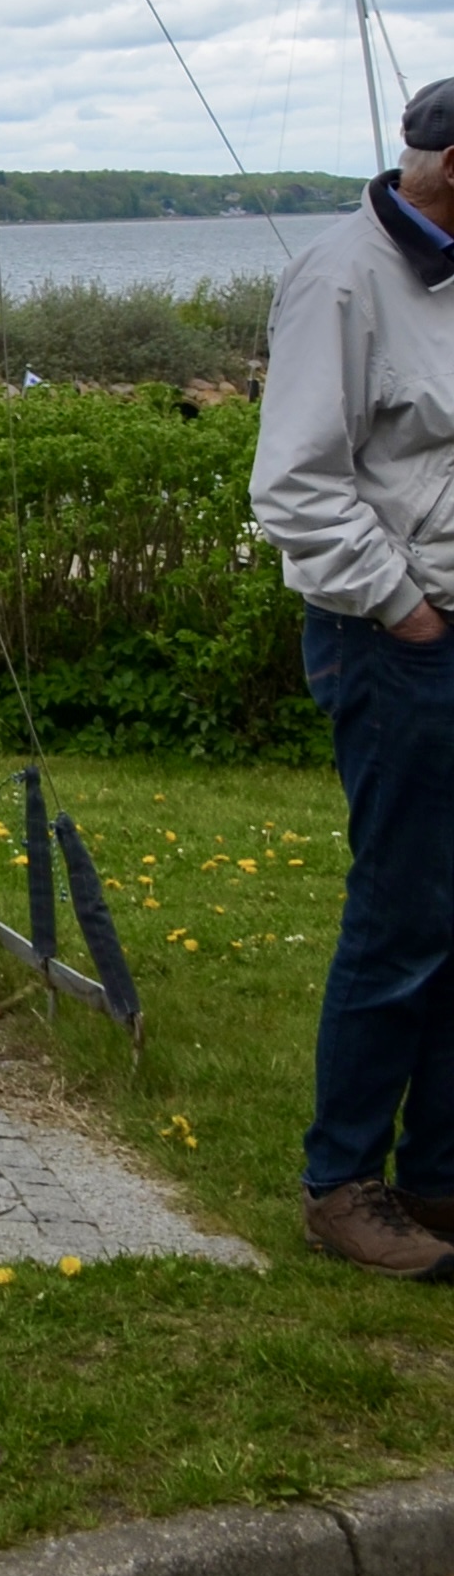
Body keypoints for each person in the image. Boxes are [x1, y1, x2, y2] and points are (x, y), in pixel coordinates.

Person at [251, 76, 454, 1279]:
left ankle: (439, 1171)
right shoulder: (342, 275)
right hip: (396, 639)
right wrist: (402, 606)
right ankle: (343, 1184)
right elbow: (296, 482)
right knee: (404, 911)